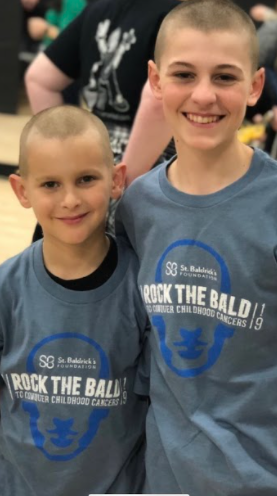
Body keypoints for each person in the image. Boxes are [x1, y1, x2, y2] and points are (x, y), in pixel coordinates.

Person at [116, 0, 277, 493]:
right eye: (184, 74)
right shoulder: (137, 205)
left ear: (254, 85)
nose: (204, 95)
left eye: (225, 77)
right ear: (156, 80)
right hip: (164, 476)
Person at [0, 105, 149, 496]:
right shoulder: (5, 290)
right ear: (21, 190)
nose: (70, 200)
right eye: (50, 184)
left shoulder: (142, 289)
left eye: (86, 179)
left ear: (116, 180)